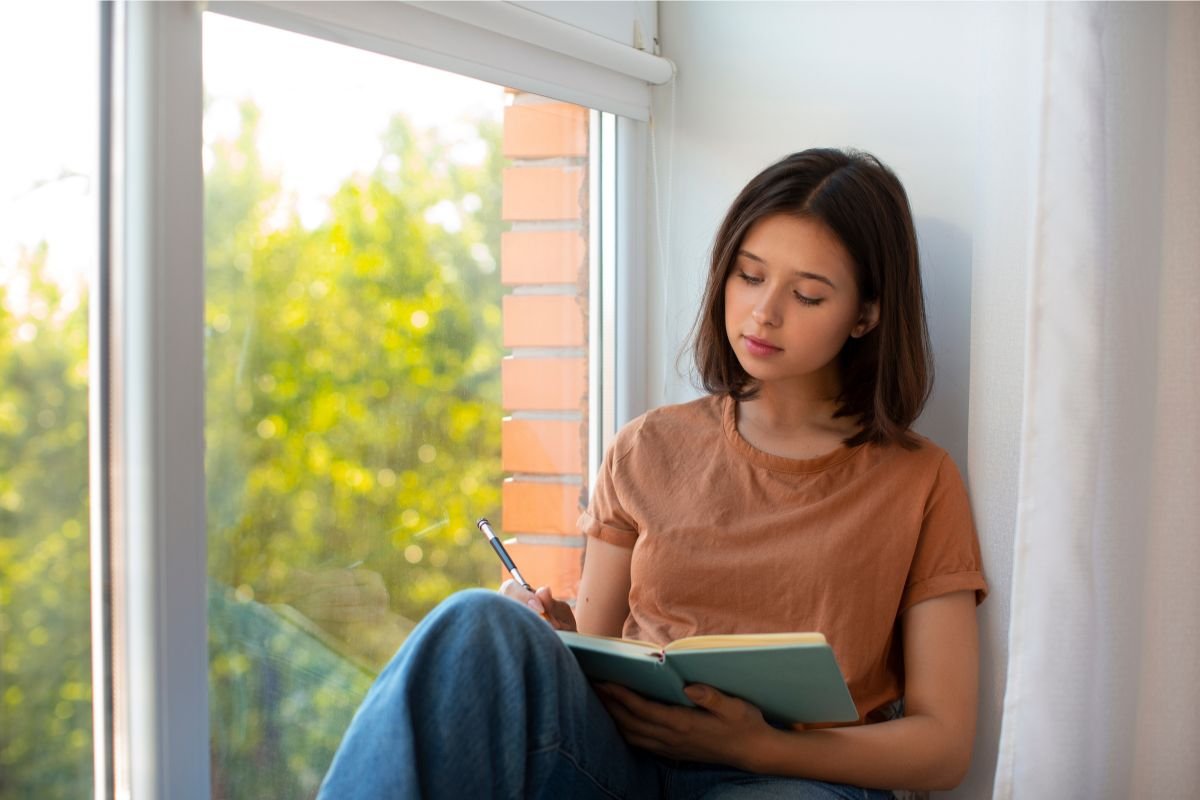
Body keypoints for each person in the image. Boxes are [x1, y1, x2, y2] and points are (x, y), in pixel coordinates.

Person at [317, 148, 988, 799]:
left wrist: (754, 747)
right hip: (625, 766)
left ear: (866, 314)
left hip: (796, 777)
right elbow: (599, 646)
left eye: (807, 294)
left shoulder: (919, 480)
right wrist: (552, 629)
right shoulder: (649, 446)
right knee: (478, 621)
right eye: (749, 277)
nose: (763, 313)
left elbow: (943, 745)